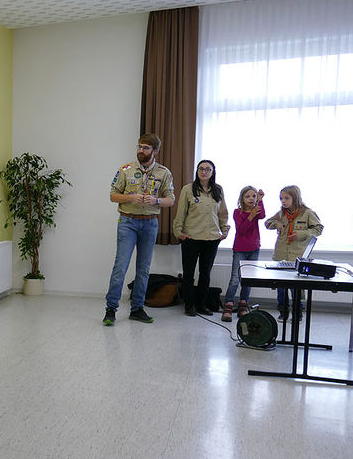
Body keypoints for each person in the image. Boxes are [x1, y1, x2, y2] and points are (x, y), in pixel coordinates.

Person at [102, 133, 175, 325]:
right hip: (128, 222)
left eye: (145, 148)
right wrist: (131, 197)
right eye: (139, 146)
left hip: (150, 223)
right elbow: (113, 195)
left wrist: (156, 200)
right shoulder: (126, 170)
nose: (140, 151)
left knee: (143, 268)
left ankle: (137, 308)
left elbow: (171, 199)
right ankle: (111, 309)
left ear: (155, 151)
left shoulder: (164, 173)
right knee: (121, 266)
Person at [173, 160, 230, 317]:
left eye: (207, 169)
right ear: (197, 171)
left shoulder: (218, 190)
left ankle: (201, 305)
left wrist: (224, 230)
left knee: (205, 274)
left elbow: (223, 213)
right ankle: (189, 305)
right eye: (201, 169)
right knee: (189, 273)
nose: (204, 172)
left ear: (212, 172)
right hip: (191, 237)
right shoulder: (188, 189)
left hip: (211, 239)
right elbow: (181, 213)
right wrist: (179, 232)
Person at [264, 185, 324, 321]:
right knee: (281, 286)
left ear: (295, 198)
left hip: (297, 256)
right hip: (281, 255)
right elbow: (267, 222)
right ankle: (283, 312)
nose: (283, 201)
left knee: (296, 287)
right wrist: (277, 224)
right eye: (281, 198)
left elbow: (318, 228)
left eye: (286, 198)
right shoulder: (281, 213)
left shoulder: (307, 213)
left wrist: (302, 234)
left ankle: (297, 313)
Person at [221, 186, 265, 322]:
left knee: (248, 279)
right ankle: (228, 305)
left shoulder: (256, 211)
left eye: (253, 196)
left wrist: (261, 201)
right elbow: (242, 230)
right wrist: (251, 216)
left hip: (254, 249)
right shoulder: (237, 212)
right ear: (242, 199)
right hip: (240, 249)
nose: (251, 199)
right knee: (235, 278)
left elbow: (263, 215)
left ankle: (243, 305)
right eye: (248, 196)